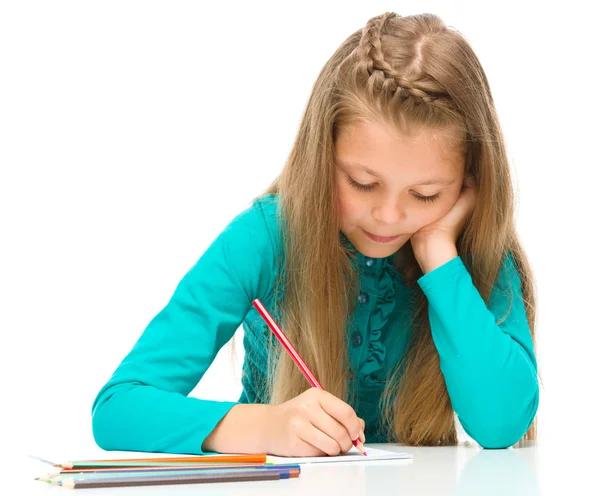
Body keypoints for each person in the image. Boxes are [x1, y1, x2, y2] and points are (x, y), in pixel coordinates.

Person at [91, 12, 539, 456]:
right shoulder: (265, 237)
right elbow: (118, 408)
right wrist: (265, 426)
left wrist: (439, 257)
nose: (387, 215)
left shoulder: (469, 251)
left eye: (425, 194)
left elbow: (500, 425)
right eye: (362, 183)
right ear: (321, 155)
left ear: (468, 183)